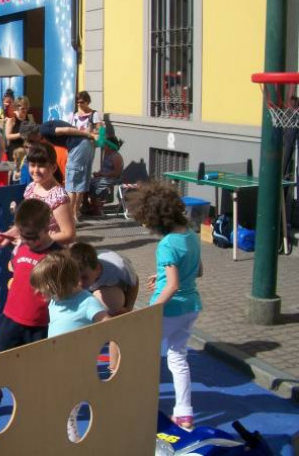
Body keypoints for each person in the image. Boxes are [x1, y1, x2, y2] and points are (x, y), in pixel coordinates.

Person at [127, 181, 203, 430]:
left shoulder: (167, 244)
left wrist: (150, 311)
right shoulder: (191, 235)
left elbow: (171, 286)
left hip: (168, 310)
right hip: (191, 306)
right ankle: (184, 412)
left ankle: (136, 405)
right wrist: (160, 274)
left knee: (141, 355)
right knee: (178, 357)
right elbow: (197, 270)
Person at [0, 199, 60, 417]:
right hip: (10, 317)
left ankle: (33, 404)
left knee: (36, 369)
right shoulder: (21, 245)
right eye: (24, 237)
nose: (30, 242)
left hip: (39, 324)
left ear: (47, 228)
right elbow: (16, 267)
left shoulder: (57, 255)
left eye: (33, 238)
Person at [30, 250, 107, 442]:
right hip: (55, 361)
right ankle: (58, 433)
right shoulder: (56, 300)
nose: (40, 293)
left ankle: (73, 441)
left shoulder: (87, 302)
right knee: (52, 402)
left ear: (58, 285)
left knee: (69, 408)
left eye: (44, 288)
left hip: (76, 364)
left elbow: (109, 324)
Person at [70, 241, 139, 372]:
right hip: (94, 290)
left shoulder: (119, 268)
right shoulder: (76, 273)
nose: (80, 283)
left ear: (97, 269)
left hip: (113, 288)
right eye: (76, 278)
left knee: (115, 322)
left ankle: (115, 366)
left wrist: (128, 307)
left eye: (84, 277)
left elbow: (134, 283)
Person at [22, 120, 96, 223]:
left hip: (77, 146)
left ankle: (67, 219)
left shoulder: (43, 129)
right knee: (79, 184)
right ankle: (74, 215)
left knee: (71, 184)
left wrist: (89, 134)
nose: (32, 142)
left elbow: (66, 130)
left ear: (32, 134)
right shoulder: (44, 130)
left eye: (31, 139)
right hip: (86, 145)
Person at [63, 91, 103, 219]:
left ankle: (75, 211)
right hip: (74, 150)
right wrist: (85, 132)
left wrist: (92, 132)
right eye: (78, 102)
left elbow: (98, 132)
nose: (80, 104)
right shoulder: (72, 116)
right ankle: (71, 212)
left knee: (81, 182)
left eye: (82, 102)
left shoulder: (94, 114)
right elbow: (68, 132)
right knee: (72, 181)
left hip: (87, 150)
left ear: (87, 101)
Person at [83, 136, 124, 215]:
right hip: (104, 176)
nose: (103, 146)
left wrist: (102, 174)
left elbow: (117, 173)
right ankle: (87, 205)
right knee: (87, 182)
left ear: (110, 146)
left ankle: (98, 208)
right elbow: (103, 168)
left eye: (105, 145)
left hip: (113, 178)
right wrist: (98, 173)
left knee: (97, 184)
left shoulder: (116, 156)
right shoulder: (106, 154)